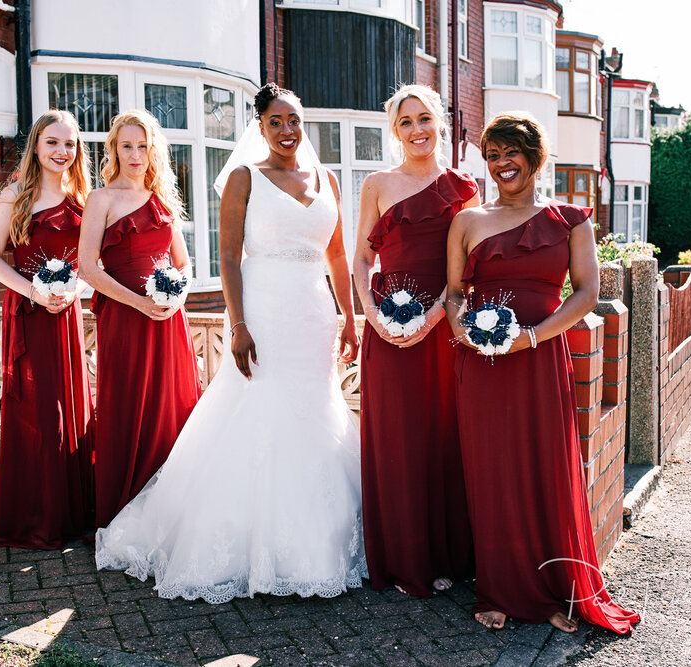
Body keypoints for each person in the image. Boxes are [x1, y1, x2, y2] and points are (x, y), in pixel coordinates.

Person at [94, 83, 368, 603]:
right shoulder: (245, 178)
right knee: (259, 408)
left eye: (294, 121)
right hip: (263, 309)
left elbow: (335, 257)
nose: (287, 131)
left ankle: (321, 539)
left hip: (314, 313)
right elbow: (227, 259)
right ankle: (250, 544)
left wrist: (348, 317)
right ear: (259, 127)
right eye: (276, 122)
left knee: (316, 409)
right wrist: (237, 324)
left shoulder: (326, 178)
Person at [445, 111, 640, 634]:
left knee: (542, 470)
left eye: (510, 153)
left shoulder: (570, 220)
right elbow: (455, 294)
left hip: (539, 358)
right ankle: (499, 590)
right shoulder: (468, 221)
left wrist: (533, 336)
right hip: (482, 365)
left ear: (534, 157)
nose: (500, 163)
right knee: (492, 474)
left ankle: (553, 590)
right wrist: (462, 330)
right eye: (491, 155)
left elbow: (587, 295)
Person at [351, 84, 480, 597]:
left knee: (443, 437)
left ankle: (446, 554)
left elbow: (469, 267)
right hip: (386, 325)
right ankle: (404, 560)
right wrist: (371, 313)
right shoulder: (377, 184)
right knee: (397, 441)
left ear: (440, 123)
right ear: (394, 131)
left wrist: (431, 318)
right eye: (405, 122)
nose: (416, 130)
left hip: (442, 325)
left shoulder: (465, 187)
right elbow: (361, 258)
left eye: (424, 118)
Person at [78, 110, 201, 529]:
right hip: (127, 321)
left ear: (153, 151)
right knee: (129, 407)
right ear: (113, 149)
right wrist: (136, 302)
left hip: (169, 322)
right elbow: (87, 268)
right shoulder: (101, 199)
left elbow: (183, 264)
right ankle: (125, 508)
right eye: (126, 146)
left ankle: (171, 512)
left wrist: (174, 296)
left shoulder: (163, 199)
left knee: (172, 408)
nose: (135, 154)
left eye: (142, 146)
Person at [0, 109, 95, 550]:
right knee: (36, 414)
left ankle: (69, 516)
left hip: (65, 313)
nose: (62, 151)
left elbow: (92, 264)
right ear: (36, 146)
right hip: (29, 313)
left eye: (70, 144)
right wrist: (32, 292)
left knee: (70, 411)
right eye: (53, 142)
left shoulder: (85, 198)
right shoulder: (15, 195)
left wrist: (75, 291)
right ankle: (33, 517)